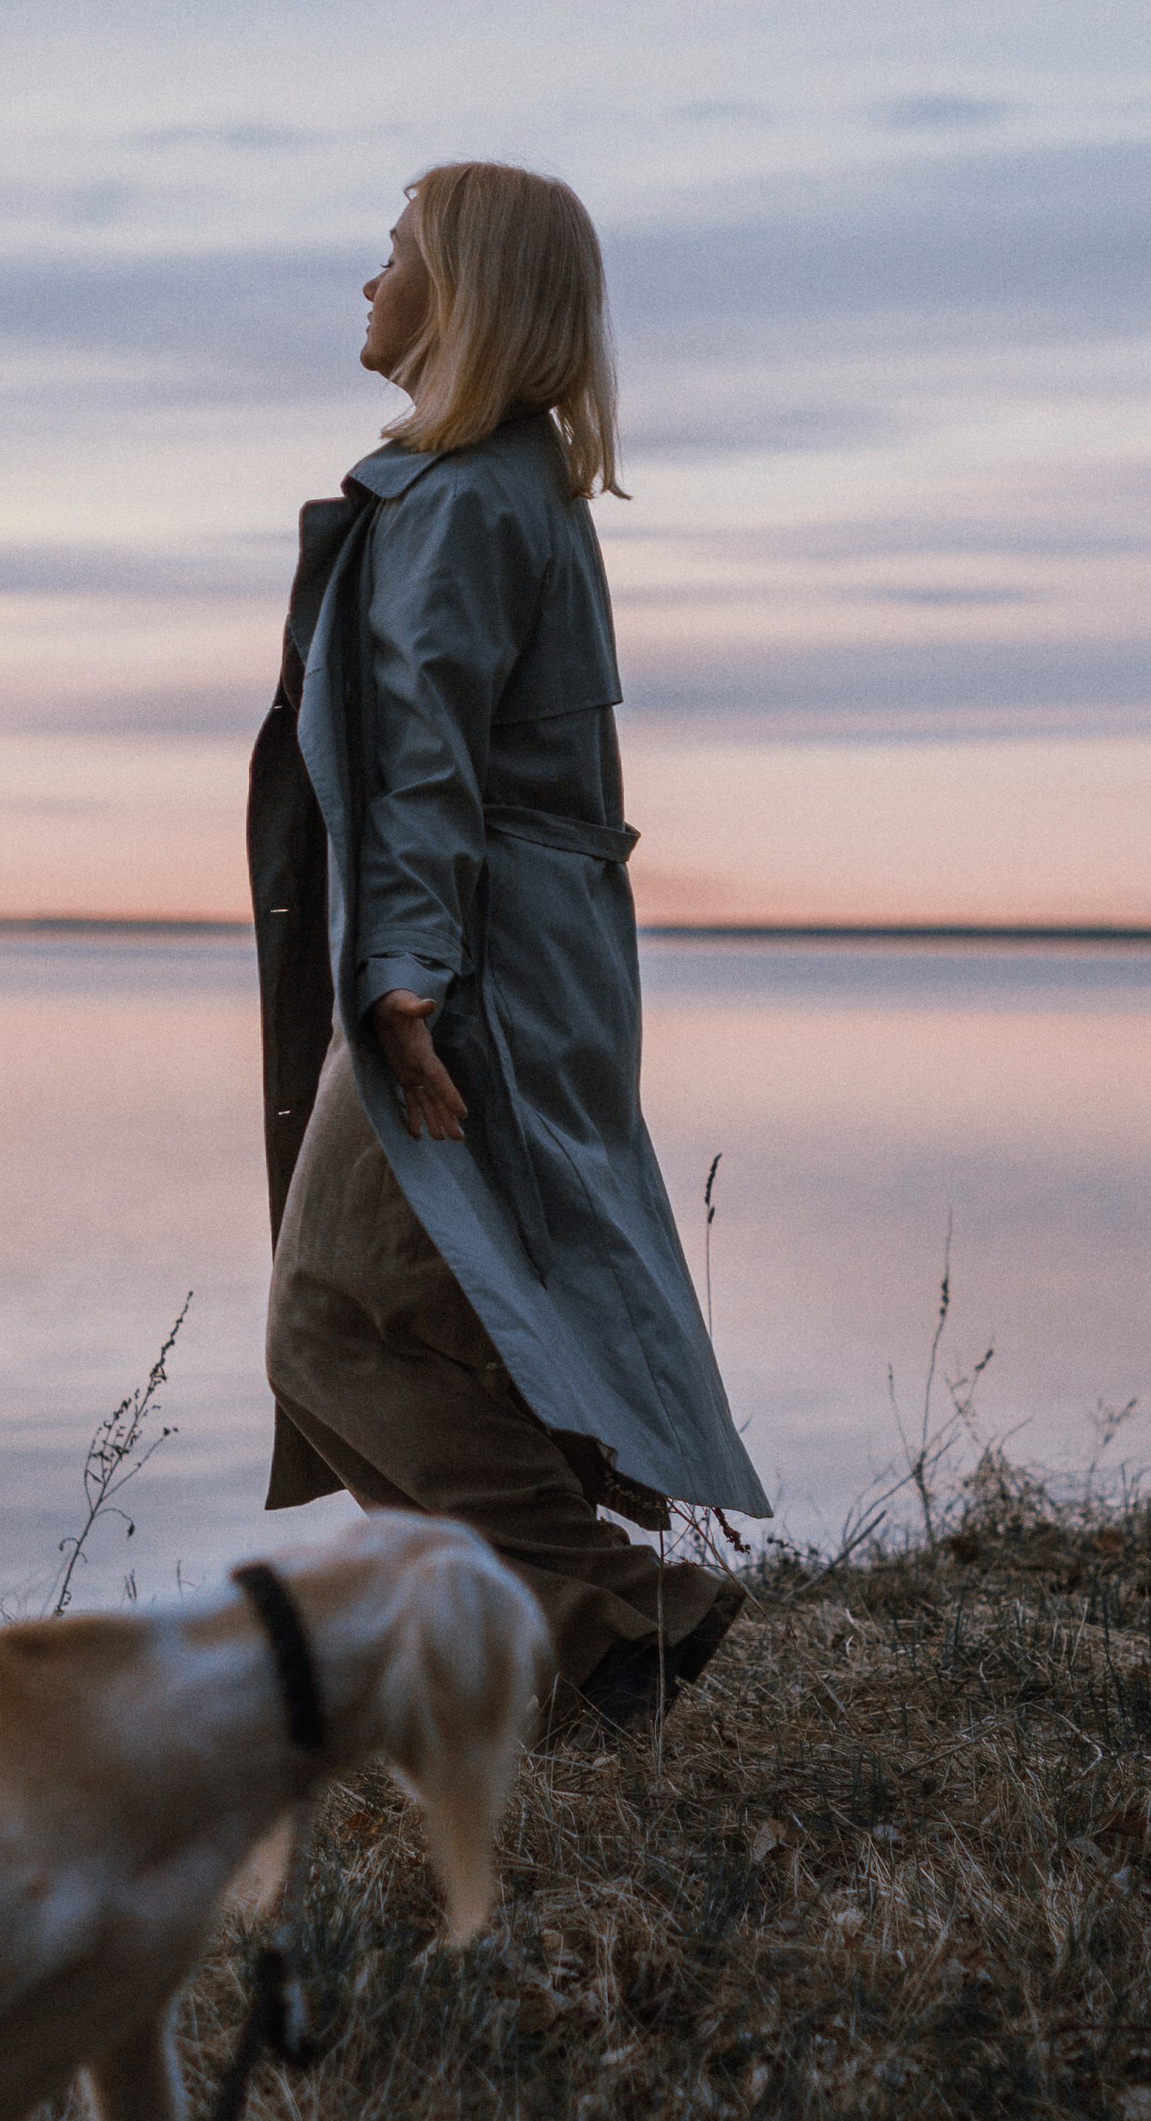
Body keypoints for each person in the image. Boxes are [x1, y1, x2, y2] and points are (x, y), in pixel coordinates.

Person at [246, 160, 768, 1730]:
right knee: (450, 1320)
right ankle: (534, 1645)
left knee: (329, 1322)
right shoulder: (507, 484)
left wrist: (404, 977)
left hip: (462, 962)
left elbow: (429, 754)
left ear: (461, 292)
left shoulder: (464, 498)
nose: (367, 281)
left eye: (394, 253)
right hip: (522, 956)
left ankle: (612, 1620)